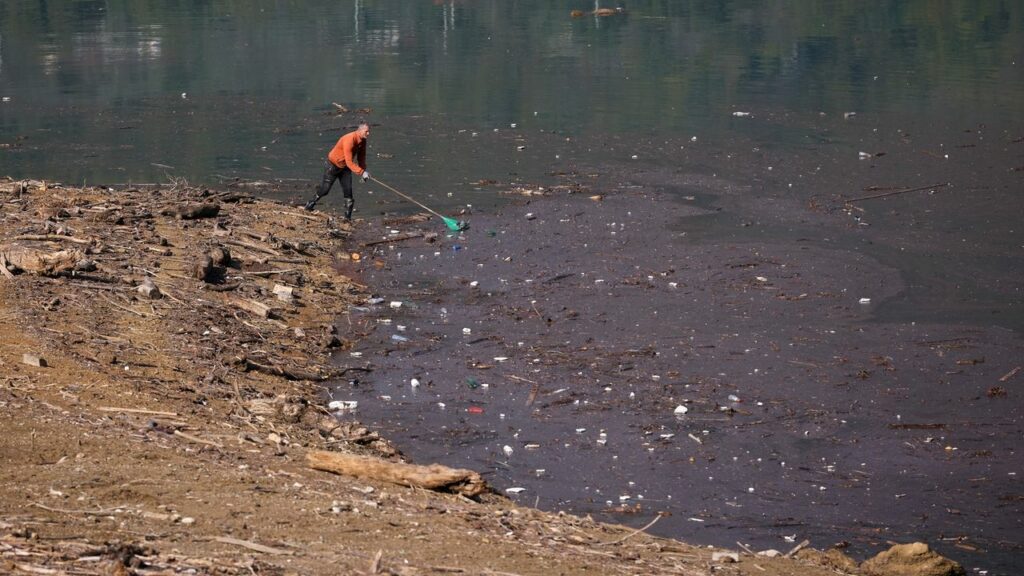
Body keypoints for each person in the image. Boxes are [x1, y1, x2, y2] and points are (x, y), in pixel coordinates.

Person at [304, 122, 371, 218]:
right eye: (366, 131)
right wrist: (362, 172)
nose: (368, 133)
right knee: (325, 189)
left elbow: (361, 157)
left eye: (368, 131)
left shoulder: (363, 140)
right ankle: (310, 204)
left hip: (345, 167)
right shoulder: (349, 139)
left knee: (348, 193)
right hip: (333, 165)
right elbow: (349, 161)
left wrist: (363, 171)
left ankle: (347, 219)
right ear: (359, 131)